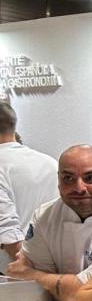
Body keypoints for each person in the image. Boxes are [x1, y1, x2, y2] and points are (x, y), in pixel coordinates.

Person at [6, 145, 92, 301]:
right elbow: (33, 289)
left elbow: (83, 295)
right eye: (68, 178)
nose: (79, 188)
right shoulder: (44, 216)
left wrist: (32, 275)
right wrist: (64, 287)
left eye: (90, 178)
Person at [0, 100, 58, 273]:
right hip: (56, 265)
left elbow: (7, 229)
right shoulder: (50, 162)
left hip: (14, 273)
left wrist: (32, 273)